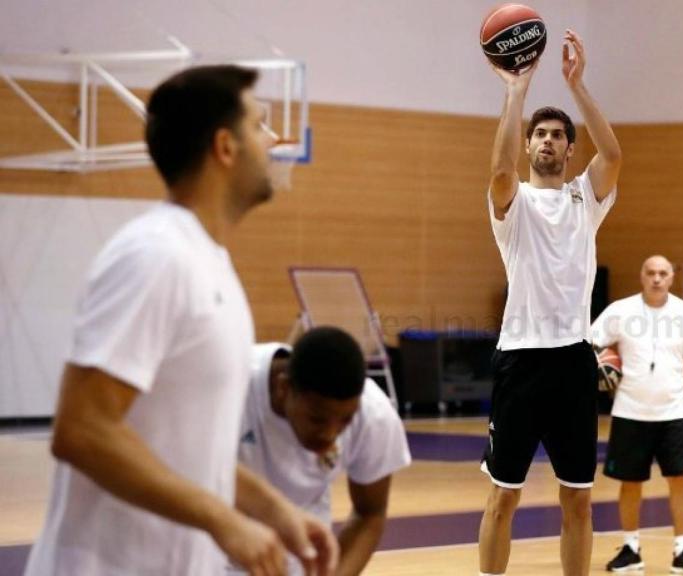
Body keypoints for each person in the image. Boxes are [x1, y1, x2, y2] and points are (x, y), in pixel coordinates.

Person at [24, 65, 337, 576]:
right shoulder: (155, 255)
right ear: (225, 147)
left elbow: (191, 453)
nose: (274, 140)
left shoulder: (208, 262)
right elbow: (82, 429)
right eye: (258, 124)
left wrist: (273, 509)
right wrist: (222, 520)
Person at [479, 29, 622, 576]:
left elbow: (612, 153)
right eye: (538, 133)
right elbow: (497, 172)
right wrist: (515, 90)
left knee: (578, 498)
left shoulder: (585, 198)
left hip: (571, 362)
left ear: (568, 147)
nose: (545, 141)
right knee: (503, 497)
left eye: (557, 134)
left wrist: (577, 85)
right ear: (529, 143)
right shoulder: (513, 205)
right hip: (520, 361)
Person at [235, 326, 411, 576]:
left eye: (346, 420)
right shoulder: (231, 388)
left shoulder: (373, 413)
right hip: (210, 548)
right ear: (283, 388)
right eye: (317, 419)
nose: (331, 434)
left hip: (300, 560)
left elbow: (370, 513)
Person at [591, 255, 683, 575]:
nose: (656, 278)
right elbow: (589, 344)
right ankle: (631, 548)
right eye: (650, 273)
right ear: (641, 276)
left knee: (680, 479)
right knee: (630, 481)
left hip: (674, 411)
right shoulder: (620, 310)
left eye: (662, 273)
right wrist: (600, 368)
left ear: (672, 277)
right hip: (630, 411)